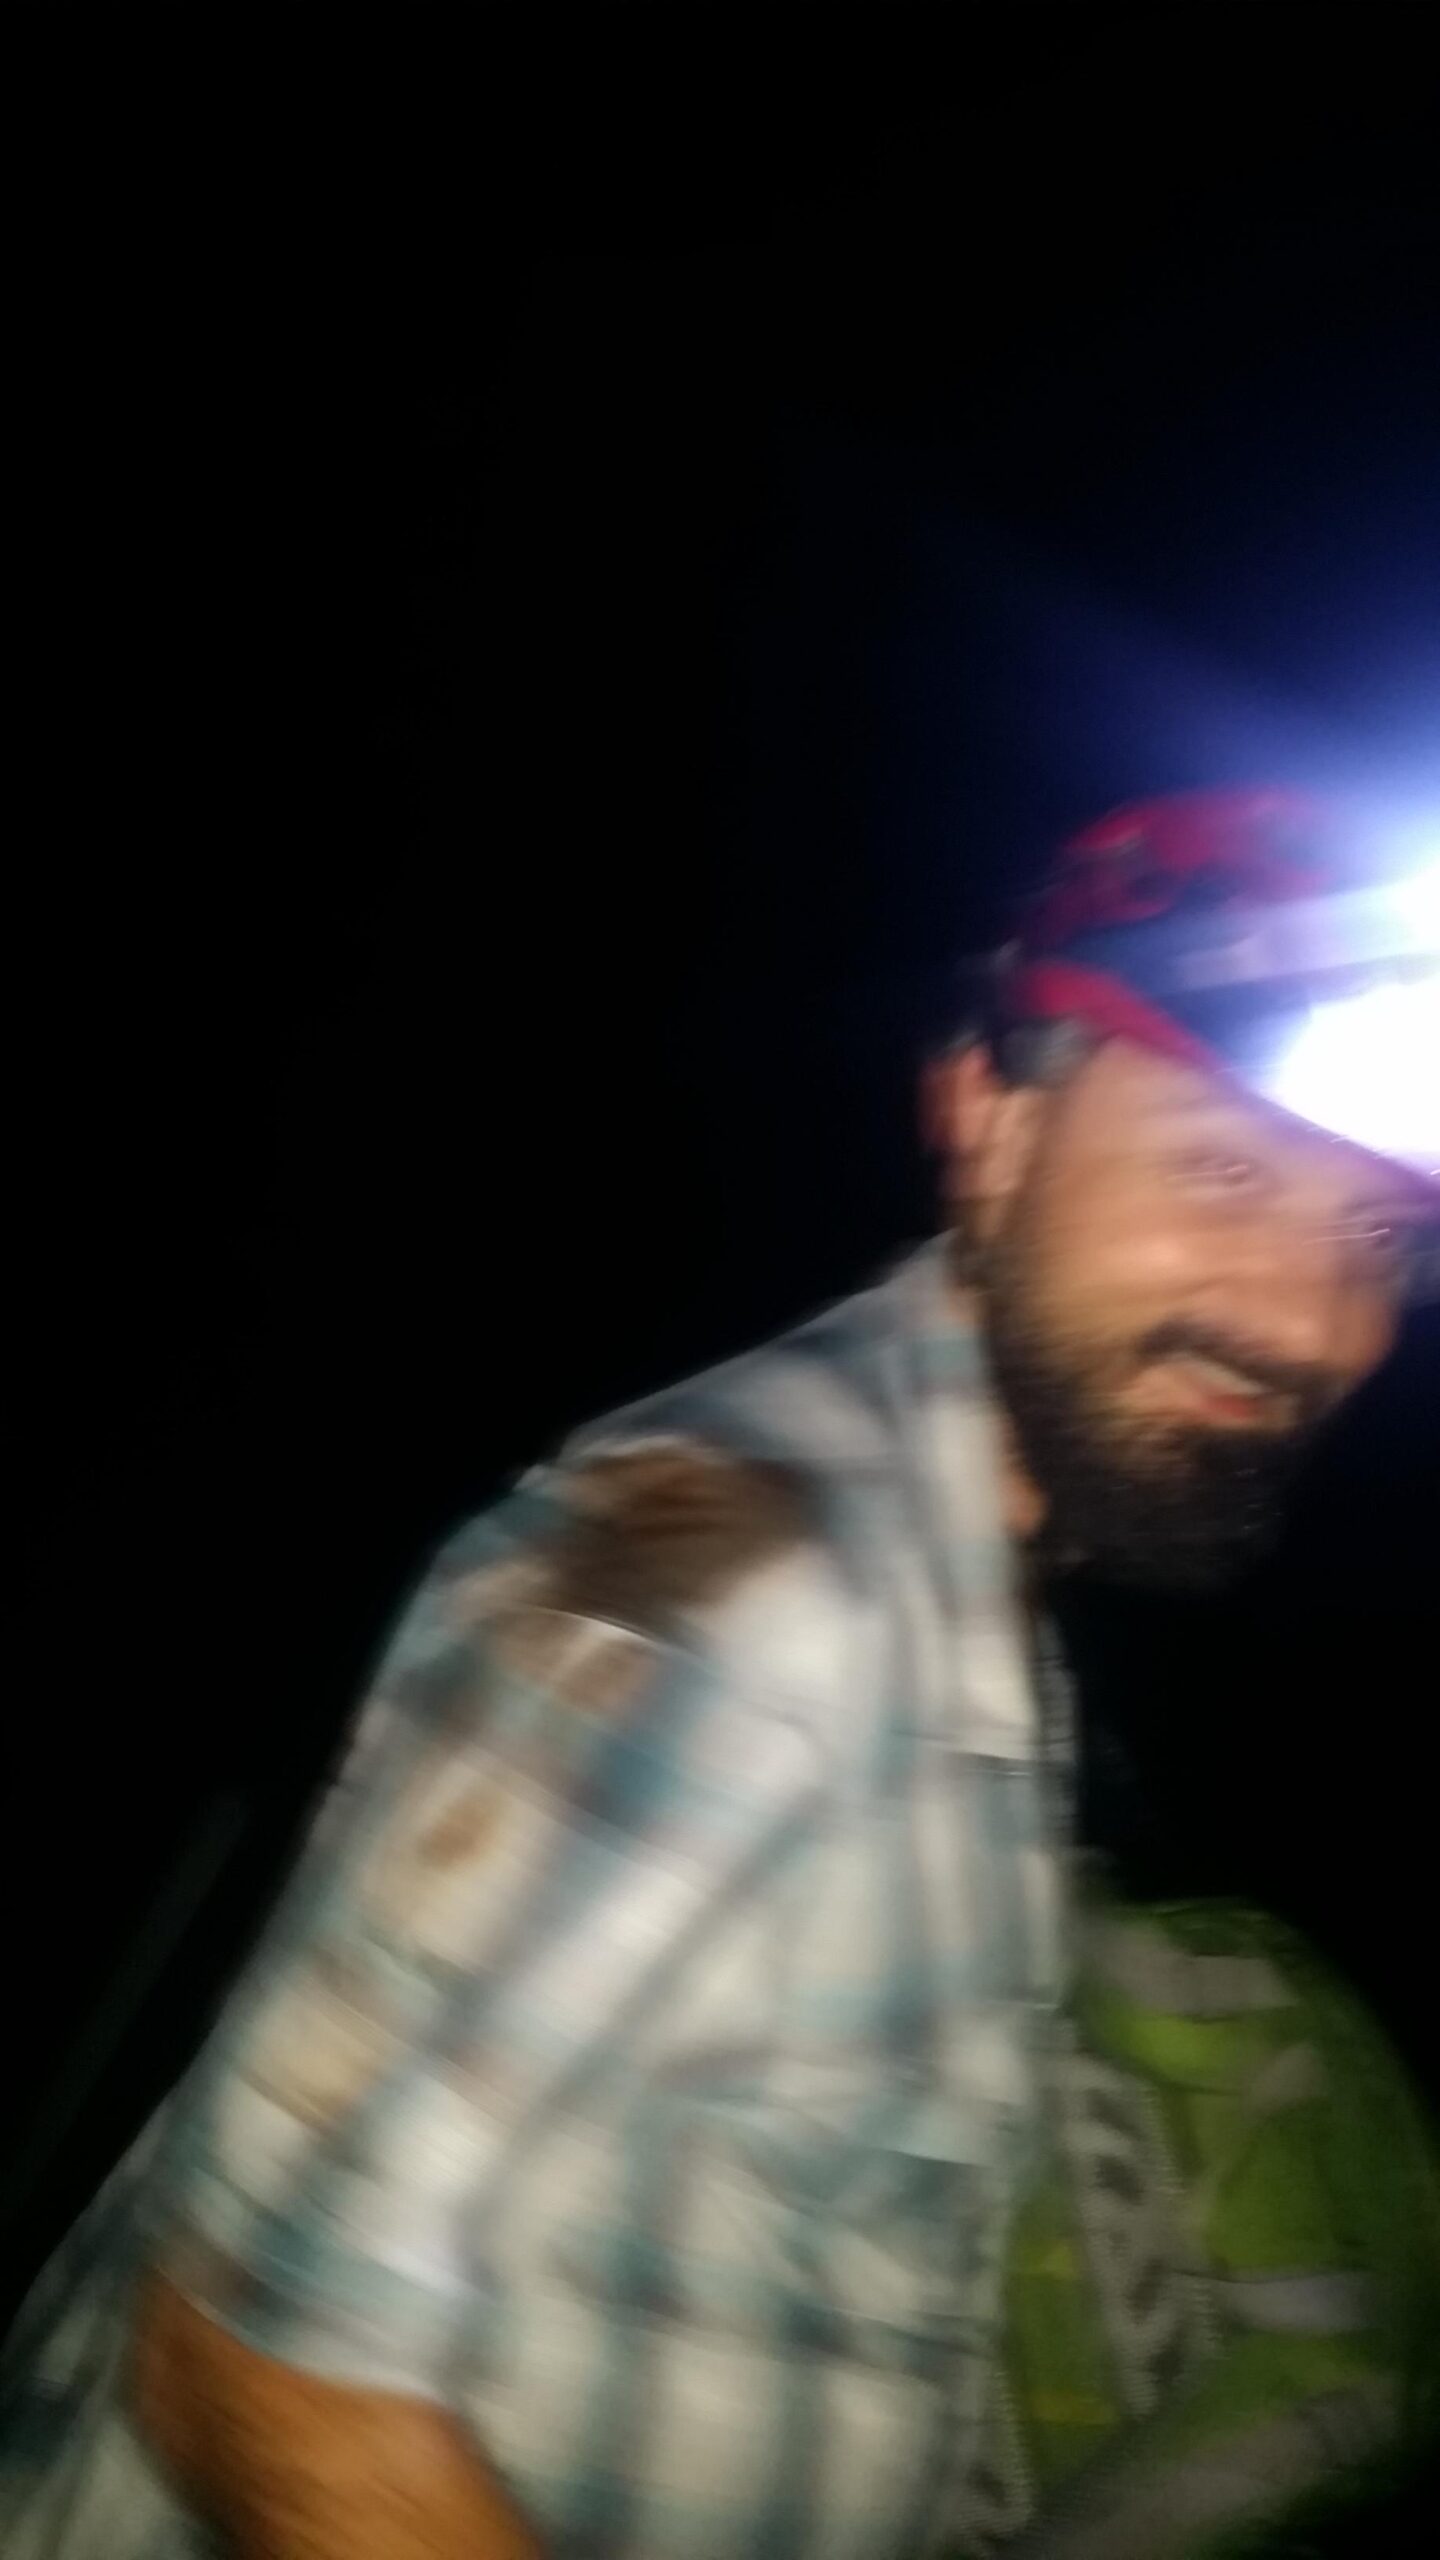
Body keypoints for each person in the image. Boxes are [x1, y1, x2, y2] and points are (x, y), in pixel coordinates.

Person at [3, 790, 1437, 2559]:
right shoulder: (748, 1607)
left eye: (1379, 1240)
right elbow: (254, 2371)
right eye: (1223, 1169)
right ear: (988, 1123)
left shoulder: (971, 1611)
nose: (1310, 1322)